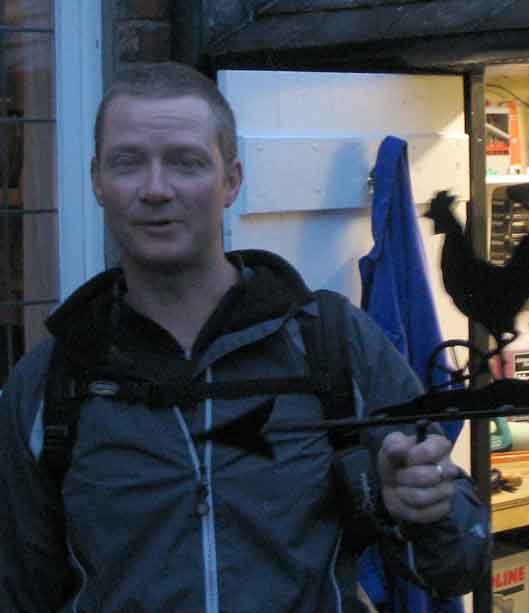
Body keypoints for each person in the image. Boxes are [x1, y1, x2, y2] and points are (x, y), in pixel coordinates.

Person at [0, 61, 490, 612]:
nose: (155, 189)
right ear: (97, 180)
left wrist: (424, 512)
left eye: (185, 163)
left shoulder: (332, 346)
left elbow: (458, 565)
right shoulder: (50, 384)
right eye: (128, 162)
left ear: (231, 180)